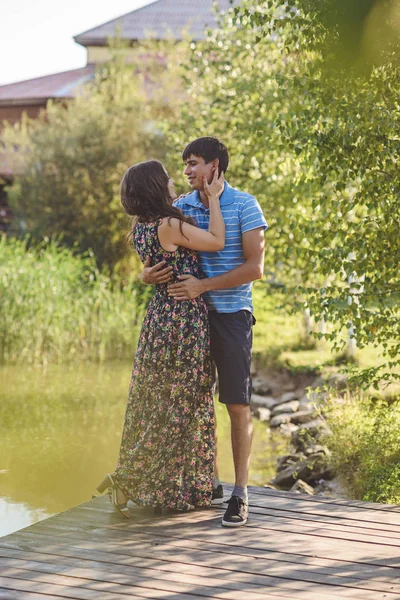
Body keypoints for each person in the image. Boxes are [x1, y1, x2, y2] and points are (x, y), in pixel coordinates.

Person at [141, 137, 268, 527]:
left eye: (194, 163)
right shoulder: (180, 205)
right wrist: (145, 274)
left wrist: (203, 286)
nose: (187, 171)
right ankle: (205, 481)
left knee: (235, 403)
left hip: (230, 315)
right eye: (184, 165)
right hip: (186, 319)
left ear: (215, 166)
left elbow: (254, 269)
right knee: (191, 401)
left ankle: (240, 493)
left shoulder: (246, 205)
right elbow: (154, 248)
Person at [96, 159, 225, 515]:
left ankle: (176, 485)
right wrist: (213, 197)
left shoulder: (140, 227)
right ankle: (126, 477)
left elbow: (154, 268)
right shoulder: (168, 225)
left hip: (158, 319)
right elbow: (217, 240)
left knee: (157, 402)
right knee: (184, 403)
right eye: (167, 179)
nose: (173, 182)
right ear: (156, 186)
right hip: (183, 319)